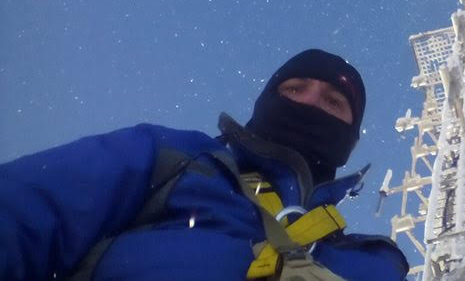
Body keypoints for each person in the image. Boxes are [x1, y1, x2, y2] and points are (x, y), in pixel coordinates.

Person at [0, 49, 409, 280]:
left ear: (350, 138)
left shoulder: (372, 262)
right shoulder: (169, 158)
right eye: (295, 88)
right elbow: (26, 210)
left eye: (333, 102)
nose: (309, 104)